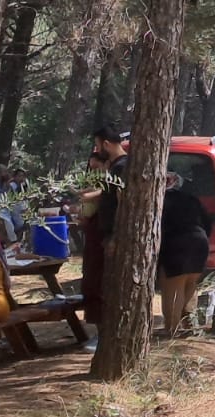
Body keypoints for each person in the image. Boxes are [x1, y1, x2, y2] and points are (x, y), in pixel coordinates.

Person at [83, 124, 130, 340]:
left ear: (107, 144)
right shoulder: (116, 166)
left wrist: (117, 235)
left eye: (97, 145)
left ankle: (108, 334)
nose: (97, 149)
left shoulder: (122, 166)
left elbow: (121, 199)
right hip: (106, 233)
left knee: (107, 285)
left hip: (113, 234)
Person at [157, 171, 212, 336]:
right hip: (200, 243)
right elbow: (207, 223)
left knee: (173, 288)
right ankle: (185, 325)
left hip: (177, 245)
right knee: (189, 284)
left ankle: (172, 330)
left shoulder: (161, 201)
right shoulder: (192, 199)